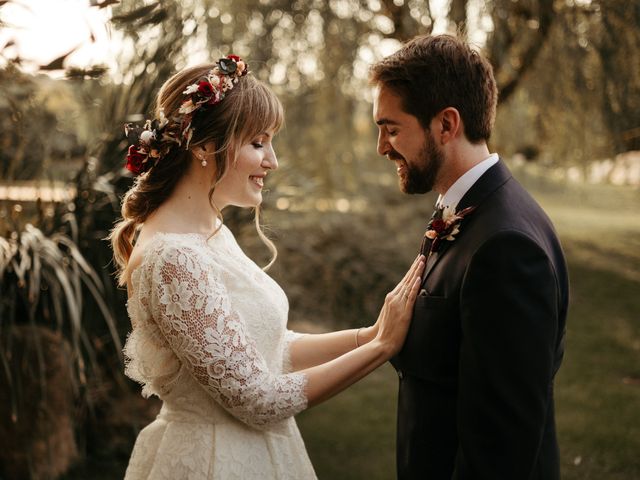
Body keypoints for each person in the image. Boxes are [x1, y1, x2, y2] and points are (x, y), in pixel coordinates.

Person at [109, 55, 425, 480]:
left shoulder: (209, 232)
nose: (272, 161)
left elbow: (268, 349)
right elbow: (258, 399)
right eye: (258, 143)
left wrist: (365, 335)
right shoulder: (173, 258)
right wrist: (381, 348)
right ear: (204, 147)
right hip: (212, 462)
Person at [370, 35, 569, 479]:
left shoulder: (506, 247)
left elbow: (501, 449)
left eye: (392, 128)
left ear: (446, 124)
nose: (382, 147)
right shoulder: (469, 209)